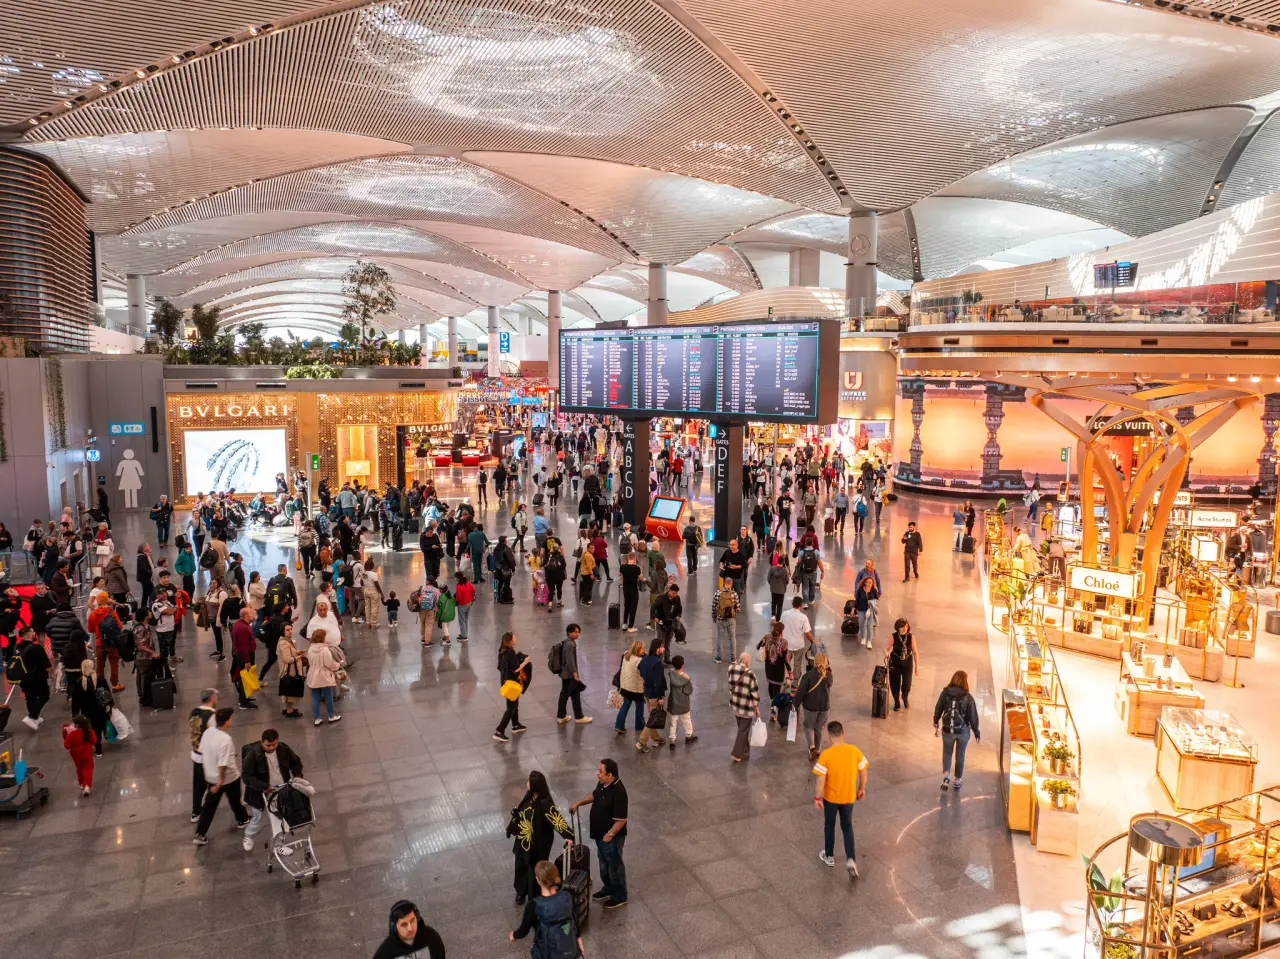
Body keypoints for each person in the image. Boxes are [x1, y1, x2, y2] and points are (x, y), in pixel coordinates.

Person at [505, 771, 575, 904]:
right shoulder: (529, 796)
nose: (526, 783)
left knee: (534, 871)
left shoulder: (544, 804)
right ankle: (520, 892)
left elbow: (557, 820)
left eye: (529, 782)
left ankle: (534, 897)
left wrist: (568, 836)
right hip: (523, 841)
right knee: (520, 866)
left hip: (537, 845)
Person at [569, 758, 629, 909]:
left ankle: (620, 896)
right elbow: (595, 795)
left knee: (615, 867)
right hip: (599, 836)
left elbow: (621, 820)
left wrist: (608, 836)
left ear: (610, 775)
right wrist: (578, 803)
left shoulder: (619, 792)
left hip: (610, 838)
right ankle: (608, 888)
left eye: (600, 771)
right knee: (604, 865)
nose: (597, 774)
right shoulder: (603, 784)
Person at [813, 720, 868, 876]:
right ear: (843, 733)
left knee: (829, 825)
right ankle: (850, 858)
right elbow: (863, 771)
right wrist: (861, 788)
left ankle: (829, 855)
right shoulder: (854, 751)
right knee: (847, 827)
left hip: (830, 799)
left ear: (829, 736)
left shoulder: (826, 755)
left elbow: (820, 780)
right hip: (849, 797)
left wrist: (818, 797)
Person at [193, 707, 251, 844]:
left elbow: (203, 751)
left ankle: (200, 833)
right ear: (227, 721)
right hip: (228, 778)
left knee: (209, 806)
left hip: (211, 776)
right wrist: (220, 782)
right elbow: (222, 763)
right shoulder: (225, 739)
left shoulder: (207, 733)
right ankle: (242, 819)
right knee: (235, 799)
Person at [241, 728, 304, 852]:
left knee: (280, 819)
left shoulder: (283, 749)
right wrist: (264, 786)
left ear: (277, 741)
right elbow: (247, 777)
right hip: (260, 794)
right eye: (268, 745)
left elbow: (296, 762)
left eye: (274, 744)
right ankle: (249, 836)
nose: (271, 748)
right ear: (262, 742)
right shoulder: (253, 755)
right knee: (258, 819)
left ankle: (279, 845)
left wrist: (297, 776)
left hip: (280, 791)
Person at [510, 860, 583, 958]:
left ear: (537, 880)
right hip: (569, 951)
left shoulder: (534, 905)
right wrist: (578, 940)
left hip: (546, 953)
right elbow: (573, 919)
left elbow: (523, 931)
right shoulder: (567, 896)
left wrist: (514, 935)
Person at [934, 670, 981, 790]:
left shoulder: (945, 693)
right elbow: (973, 716)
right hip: (962, 731)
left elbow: (938, 707)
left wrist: (936, 721)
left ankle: (946, 777)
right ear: (965, 681)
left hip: (947, 730)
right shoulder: (967, 697)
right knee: (960, 755)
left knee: (947, 753)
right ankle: (958, 780)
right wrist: (976, 731)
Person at [373, 901, 446, 959]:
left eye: (412, 920)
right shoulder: (385, 952)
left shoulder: (432, 937)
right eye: (404, 924)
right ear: (394, 927)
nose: (410, 928)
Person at [794, 653, 834, 762]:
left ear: (814, 662)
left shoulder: (807, 676)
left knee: (808, 726)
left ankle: (812, 748)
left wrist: (795, 704)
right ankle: (818, 750)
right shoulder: (829, 675)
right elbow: (829, 683)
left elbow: (801, 692)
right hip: (824, 707)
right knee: (819, 728)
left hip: (810, 706)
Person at [495, 632, 531, 742]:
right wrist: (525, 662)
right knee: (511, 707)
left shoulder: (501, 651)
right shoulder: (510, 653)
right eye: (514, 637)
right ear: (510, 641)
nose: (515, 639)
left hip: (505, 682)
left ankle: (516, 724)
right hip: (512, 684)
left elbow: (499, 667)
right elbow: (516, 669)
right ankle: (499, 731)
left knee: (514, 704)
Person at [13, 628, 51, 729]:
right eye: (33, 632)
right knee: (44, 696)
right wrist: (54, 673)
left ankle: (34, 717)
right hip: (38, 677)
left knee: (30, 697)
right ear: (29, 635)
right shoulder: (36, 648)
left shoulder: (16, 647)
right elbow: (47, 664)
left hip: (23, 677)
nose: (35, 633)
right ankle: (32, 716)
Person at [553, 624, 591, 725]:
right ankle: (576, 716)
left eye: (578, 632)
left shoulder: (567, 642)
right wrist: (575, 673)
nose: (577, 634)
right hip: (569, 674)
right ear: (569, 633)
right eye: (575, 632)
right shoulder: (570, 644)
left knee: (571, 694)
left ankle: (564, 716)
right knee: (567, 694)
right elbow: (570, 660)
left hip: (565, 673)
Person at [635, 638, 667, 752]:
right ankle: (641, 742)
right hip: (654, 694)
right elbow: (658, 682)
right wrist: (660, 697)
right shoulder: (658, 663)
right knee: (652, 719)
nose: (664, 648)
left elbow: (639, 669)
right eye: (662, 646)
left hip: (646, 692)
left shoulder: (645, 659)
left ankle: (656, 738)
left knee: (652, 715)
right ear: (657, 649)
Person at [728, 651, 761, 763]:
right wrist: (757, 707)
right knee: (743, 730)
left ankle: (745, 749)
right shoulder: (751, 674)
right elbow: (755, 694)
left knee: (742, 729)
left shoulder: (731, 668)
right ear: (747, 661)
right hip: (746, 708)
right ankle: (737, 754)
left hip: (735, 705)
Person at [304, 629, 343, 725]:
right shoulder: (325, 650)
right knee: (328, 696)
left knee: (315, 697)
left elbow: (309, 661)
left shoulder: (310, 649)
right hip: (324, 675)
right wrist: (338, 664)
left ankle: (316, 718)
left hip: (313, 675)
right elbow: (329, 664)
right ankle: (331, 716)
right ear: (322, 638)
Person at [885, 618, 920, 711]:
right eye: (902, 627)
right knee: (894, 683)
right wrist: (886, 653)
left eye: (906, 626)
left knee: (907, 684)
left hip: (907, 662)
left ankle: (905, 697)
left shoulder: (911, 637)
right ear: (898, 628)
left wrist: (917, 666)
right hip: (895, 661)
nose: (905, 628)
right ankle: (896, 701)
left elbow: (915, 651)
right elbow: (886, 648)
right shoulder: (893, 636)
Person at [664, 654, 696, 748]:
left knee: (673, 722)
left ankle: (672, 740)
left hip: (674, 703)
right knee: (686, 720)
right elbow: (689, 691)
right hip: (684, 704)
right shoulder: (686, 678)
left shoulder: (671, 675)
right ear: (683, 665)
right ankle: (689, 736)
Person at [231, 606, 259, 710]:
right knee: (244, 678)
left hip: (242, 655)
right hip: (245, 656)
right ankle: (243, 701)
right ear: (246, 616)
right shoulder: (243, 628)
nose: (253, 615)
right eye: (252, 613)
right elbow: (243, 646)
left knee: (245, 677)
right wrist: (247, 661)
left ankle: (246, 697)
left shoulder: (239, 624)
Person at [63, 714, 98, 796]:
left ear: (77, 725)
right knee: (88, 769)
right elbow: (94, 741)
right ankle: (87, 785)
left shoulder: (72, 734)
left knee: (80, 768)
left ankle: (82, 783)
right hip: (87, 753)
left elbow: (67, 745)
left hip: (76, 755)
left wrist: (65, 733)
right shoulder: (90, 732)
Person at [711, 576, 740, 664]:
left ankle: (719, 657)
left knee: (720, 637)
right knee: (732, 638)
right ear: (731, 584)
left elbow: (714, 607)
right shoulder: (734, 594)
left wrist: (714, 617)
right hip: (731, 619)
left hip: (720, 618)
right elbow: (738, 609)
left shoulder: (718, 593)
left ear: (724, 583)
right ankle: (733, 659)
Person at [780, 595, 813, 665]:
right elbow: (807, 633)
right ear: (801, 605)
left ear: (792, 603)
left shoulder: (784, 614)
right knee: (797, 664)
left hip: (786, 644)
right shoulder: (804, 617)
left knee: (786, 663)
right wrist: (812, 641)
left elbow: (780, 628)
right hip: (799, 645)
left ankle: (787, 675)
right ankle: (796, 676)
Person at [853, 575, 879, 650]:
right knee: (861, 624)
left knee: (869, 625)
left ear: (872, 583)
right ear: (864, 582)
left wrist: (871, 602)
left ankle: (869, 641)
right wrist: (853, 609)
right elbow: (856, 600)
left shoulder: (874, 590)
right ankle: (863, 638)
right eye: (867, 582)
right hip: (860, 609)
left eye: (870, 582)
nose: (869, 584)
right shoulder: (860, 590)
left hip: (870, 610)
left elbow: (877, 600)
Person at [618, 552, 641, 632]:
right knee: (633, 608)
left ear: (627, 558)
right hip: (634, 590)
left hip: (626, 590)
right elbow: (640, 578)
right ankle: (631, 627)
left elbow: (619, 574)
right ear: (634, 558)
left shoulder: (623, 567)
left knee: (626, 606)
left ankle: (624, 624)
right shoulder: (637, 568)